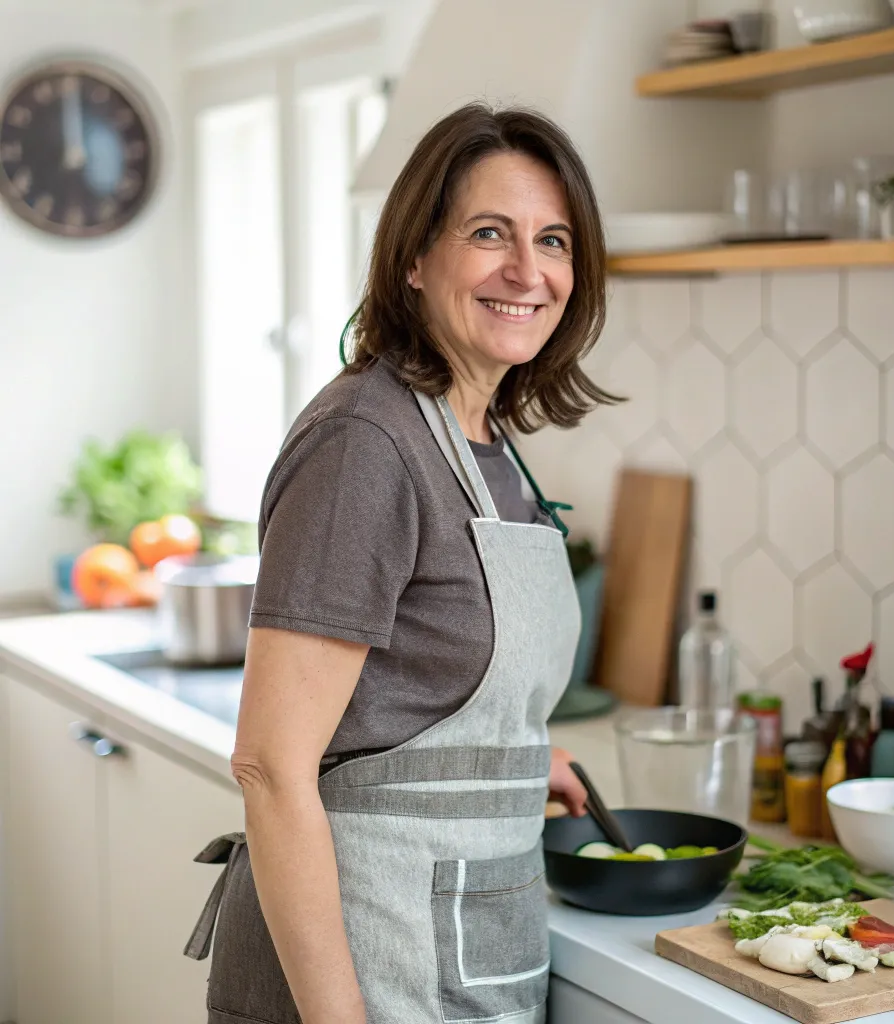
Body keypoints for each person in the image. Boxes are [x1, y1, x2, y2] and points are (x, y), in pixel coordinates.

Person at [185, 101, 616, 1024]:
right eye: (489, 233)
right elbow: (270, 764)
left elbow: (404, 686)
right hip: (353, 978)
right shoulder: (364, 447)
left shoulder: (489, 441)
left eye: (554, 241)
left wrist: (510, 756)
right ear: (415, 259)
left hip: (452, 954)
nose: (527, 271)